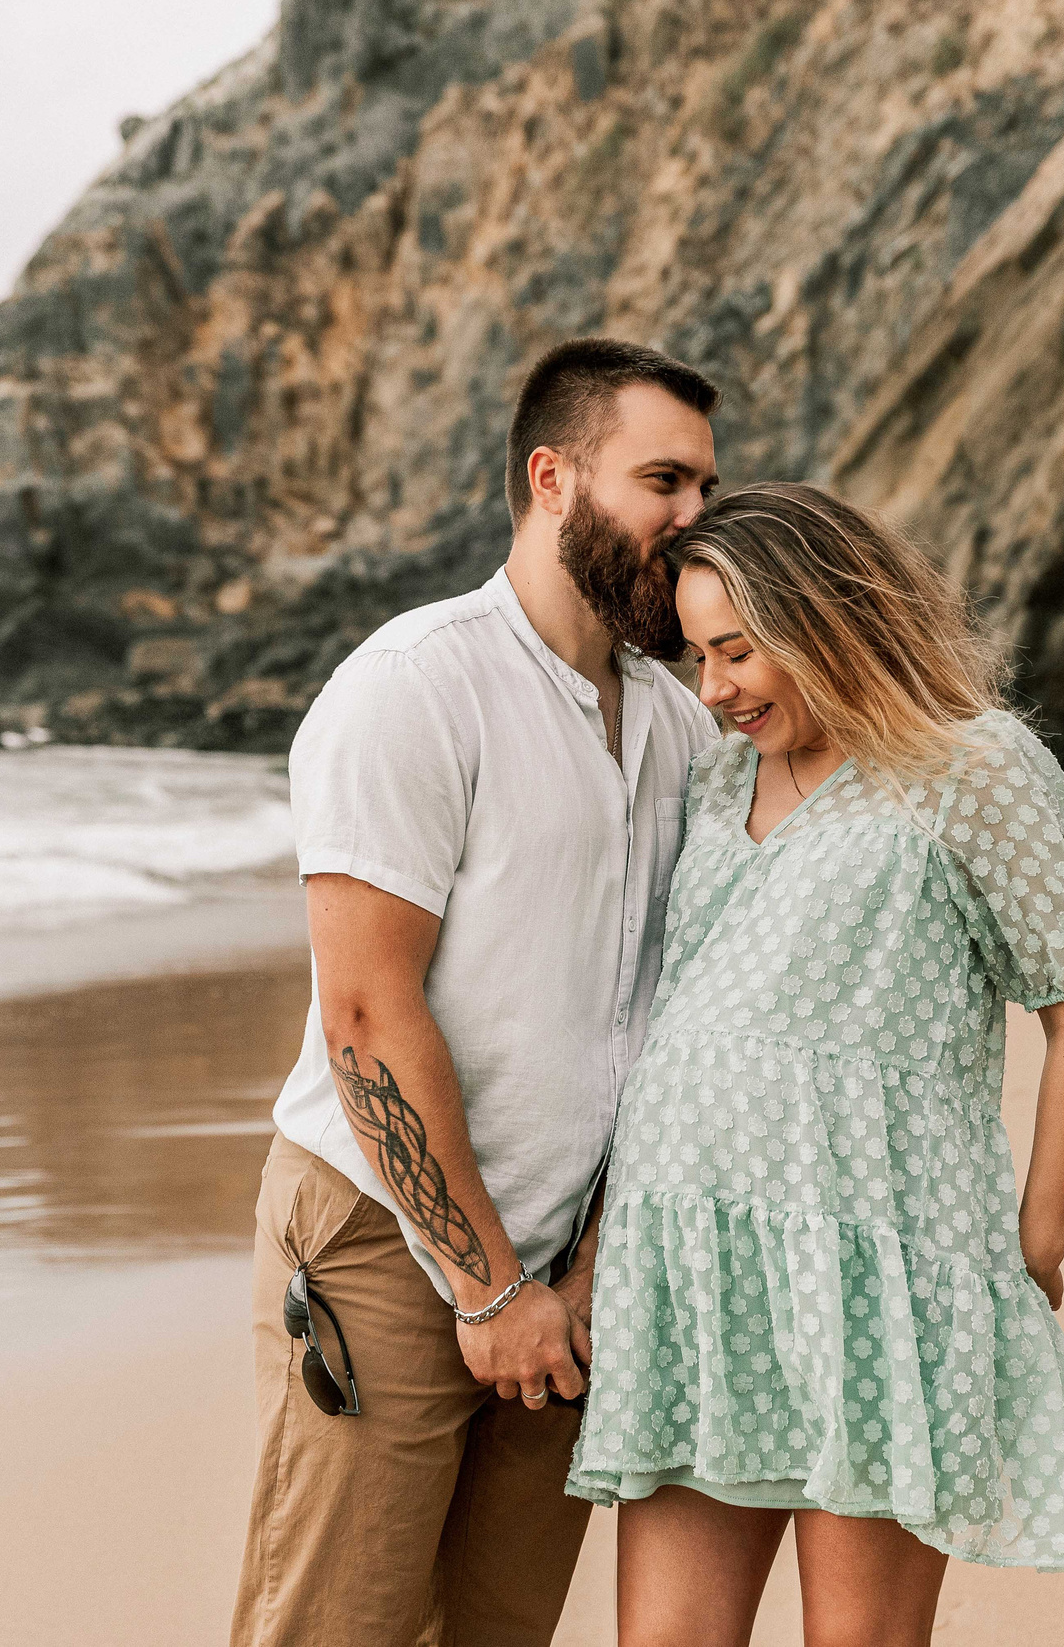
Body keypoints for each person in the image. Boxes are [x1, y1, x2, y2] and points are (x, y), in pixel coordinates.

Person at [566, 483, 1064, 1646]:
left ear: (824, 619)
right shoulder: (721, 778)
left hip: (885, 1267)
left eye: (737, 650)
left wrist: (1034, 1248)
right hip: (693, 1263)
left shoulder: (972, 767)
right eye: (697, 657)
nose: (716, 687)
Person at [231, 338, 723, 1647]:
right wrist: (489, 1287)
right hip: (390, 1241)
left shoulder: (679, 726)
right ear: (552, 476)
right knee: (334, 1624)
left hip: (569, 1264)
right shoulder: (415, 687)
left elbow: (667, 1016)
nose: (692, 518)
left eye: (705, 488)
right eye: (661, 478)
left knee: (499, 1629)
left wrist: (594, 1268)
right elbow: (365, 1016)